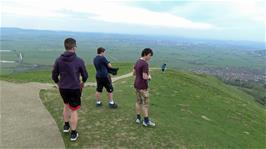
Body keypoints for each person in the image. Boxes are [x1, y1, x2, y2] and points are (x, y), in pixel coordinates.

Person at [52, 38, 88, 141]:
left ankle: (66, 126)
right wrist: (82, 82)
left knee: (66, 105)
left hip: (63, 88)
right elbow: (85, 75)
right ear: (74, 47)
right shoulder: (79, 61)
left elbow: (54, 75)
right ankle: (73, 133)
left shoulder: (58, 60)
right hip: (74, 88)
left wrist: (58, 83)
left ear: (65, 47)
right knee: (74, 110)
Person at [133, 48, 155, 127]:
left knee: (138, 102)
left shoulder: (138, 61)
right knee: (145, 104)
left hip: (136, 85)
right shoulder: (145, 64)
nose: (150, 57)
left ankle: (138, 118)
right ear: (146, 54)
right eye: (150, 55)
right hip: (143, 87)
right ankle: (146, 121)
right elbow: (145, 77)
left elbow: (133, 73)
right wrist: (149, 77)